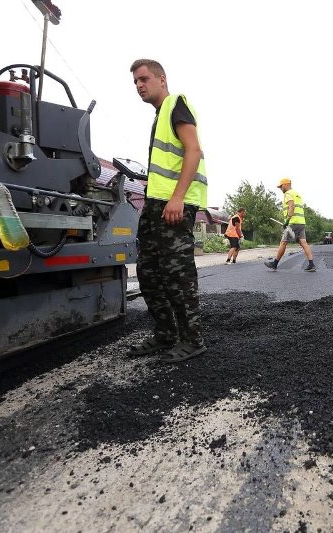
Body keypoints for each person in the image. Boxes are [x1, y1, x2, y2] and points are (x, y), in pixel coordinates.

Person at [127, 58, 208, 362]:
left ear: (161, 79)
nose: (139, 86)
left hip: (175, 204)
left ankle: (192, 338)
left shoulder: (176, 103)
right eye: (135, 82)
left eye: (144, 79)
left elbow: (194, 150)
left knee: (177, 273)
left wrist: (177, 198)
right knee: (148, 272)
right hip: (155, 205)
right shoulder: (159, 116)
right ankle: (166, 334)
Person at [264, 177, 316, 272]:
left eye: (281, 186)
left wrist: (287, 220)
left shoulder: (288, 194)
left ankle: (274, 264)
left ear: (286, 185)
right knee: (303, 243)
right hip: (301, 222)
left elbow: (291, 205)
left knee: (283, 242)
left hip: (292, 222)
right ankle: (311, 264)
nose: (280, 189)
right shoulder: (297, 194)